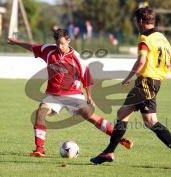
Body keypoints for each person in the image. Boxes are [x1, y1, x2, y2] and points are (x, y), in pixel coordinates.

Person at [8, 29, 133, 157]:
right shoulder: (48, 50)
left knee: (89, 115)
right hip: (53, 95)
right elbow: (32, 47)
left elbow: (87, 78)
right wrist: (16, 42)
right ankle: (39, 149)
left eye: (62, 43)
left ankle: (119, 139)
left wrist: (89, 97)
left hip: (73, 94)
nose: (59, 46)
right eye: (57, 44)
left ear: (68, 41)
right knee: (41, 112)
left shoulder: (77, 59)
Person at [90, 7, 171, 169]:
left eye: (136, 21)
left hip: (146, 82)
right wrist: (159, 74)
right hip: (150, 81)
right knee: (122, 113)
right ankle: (108, 152)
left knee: (150, 121)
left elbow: (141, 61)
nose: (136, 24)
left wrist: (128, 77)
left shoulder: (145, 38)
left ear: (141, 21)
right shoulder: (161, 37)